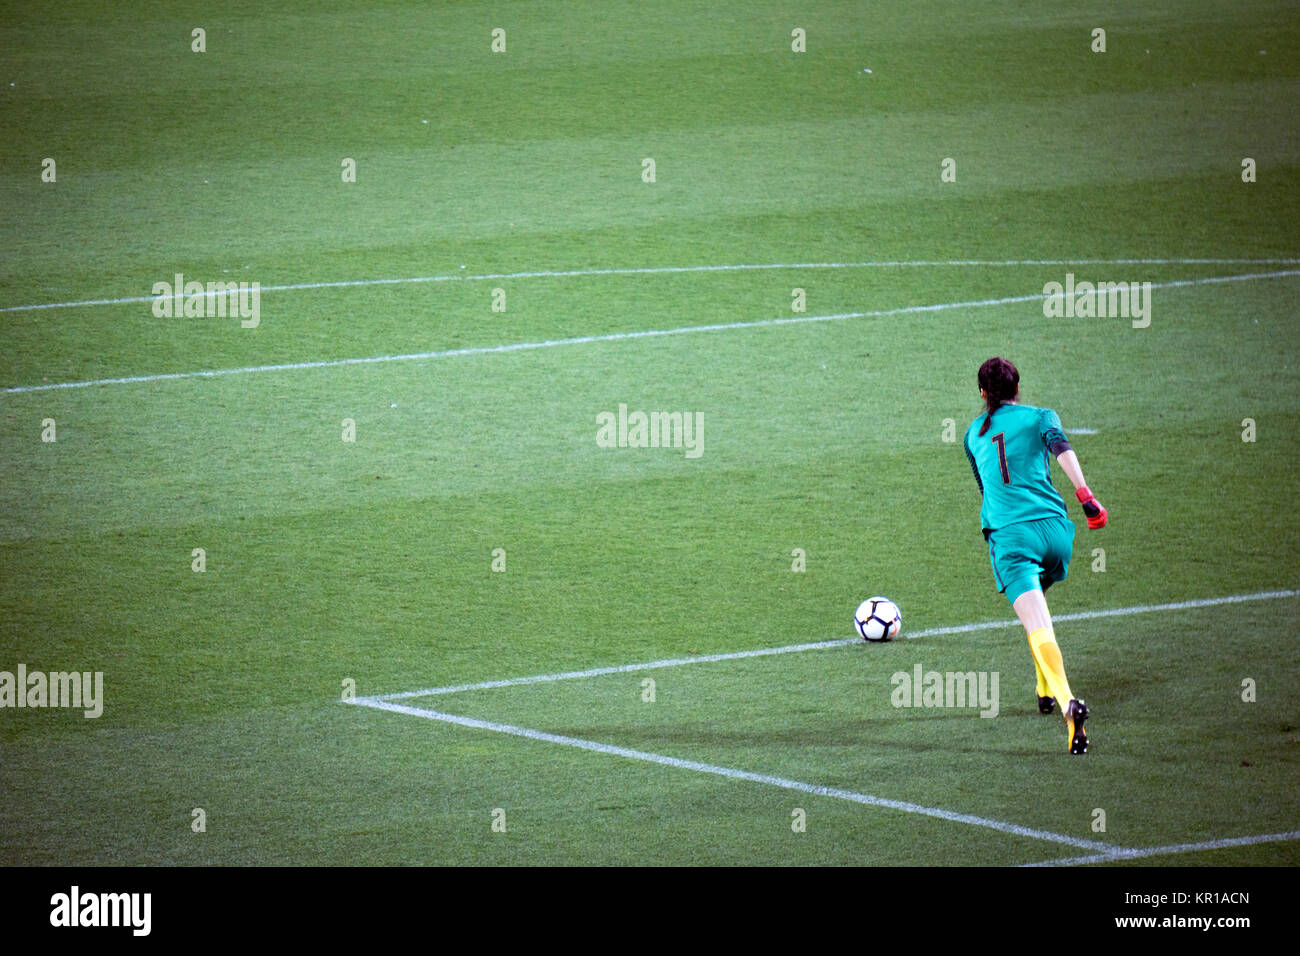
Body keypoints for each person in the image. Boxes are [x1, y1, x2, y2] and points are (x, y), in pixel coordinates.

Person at [962, 357, 1107, 754]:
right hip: (1056, 532)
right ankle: (1043, 689)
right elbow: (1061, 448)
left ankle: (1067, 704)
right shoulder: (1042, 416)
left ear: (982, 393)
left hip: (1013, 539)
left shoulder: (973, 434)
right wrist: (1086, 496)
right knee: (1037, 611)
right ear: (1017, 388)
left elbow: (986, 489)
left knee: (1036, 619)